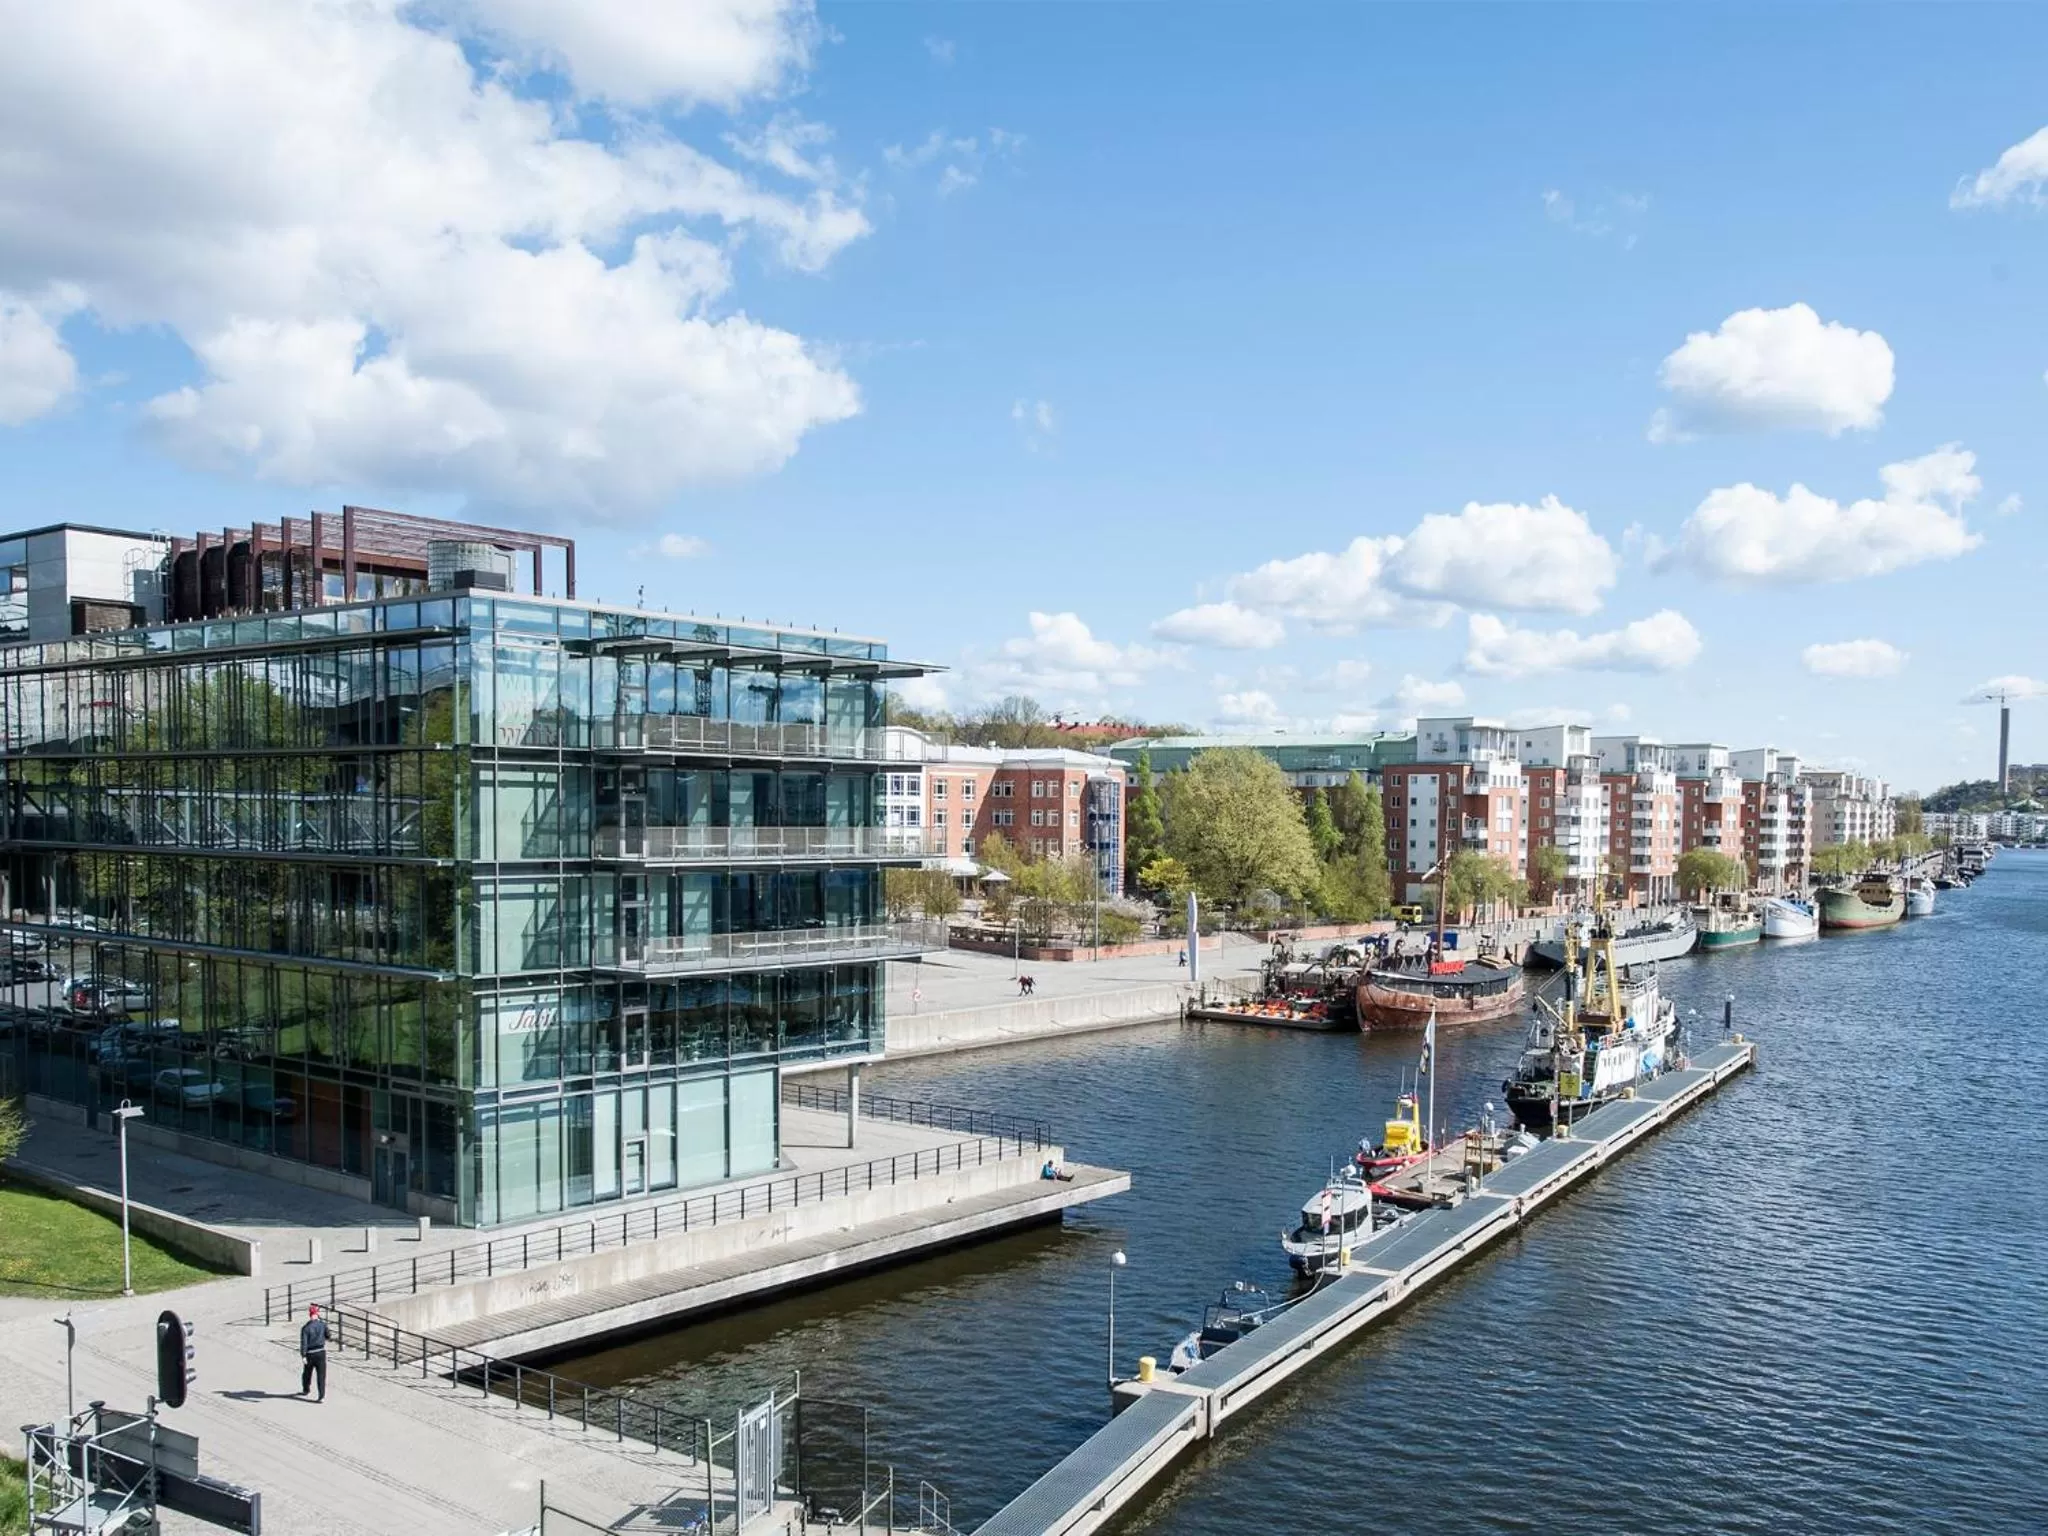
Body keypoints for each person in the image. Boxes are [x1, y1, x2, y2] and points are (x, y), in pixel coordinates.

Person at [299, 1303, 328, 1402]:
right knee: (321, 1375)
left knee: (307, 1373)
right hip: (321, 1352)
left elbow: (304, 1343)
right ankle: (321, 1396)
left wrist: (303, 1355)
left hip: (310, 1353)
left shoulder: (306, 1328)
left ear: (309, 1315)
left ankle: (306, 1389)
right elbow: (328, 1335)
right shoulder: (322, 1325)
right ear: (317, 1314)